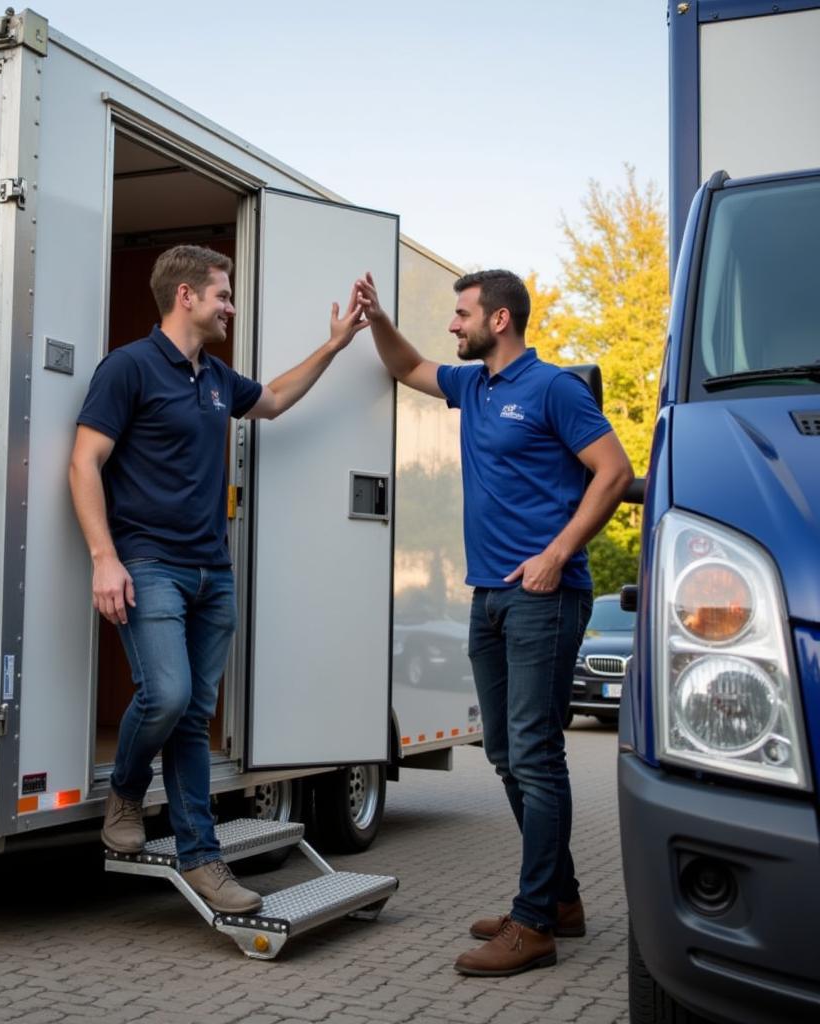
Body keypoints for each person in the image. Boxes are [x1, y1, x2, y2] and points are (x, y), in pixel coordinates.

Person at [70, 245, 368, 915]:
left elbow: (276, 399)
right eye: (223, 295)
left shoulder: (214, 377)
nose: (230, 305)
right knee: (168, 695)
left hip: (213, 572)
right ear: (186, 298)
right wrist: (103, 558)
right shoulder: (129, 368)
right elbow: (83, 463)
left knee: (193, 717)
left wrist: (335, 346)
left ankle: (202, 859)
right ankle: (125, 789)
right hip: (149, 564)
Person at [356, 268, 633, 977]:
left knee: (538, 757)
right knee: (506, 754)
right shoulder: (472, 386)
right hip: (490, 598)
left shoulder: (555, 389)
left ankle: (535, 922)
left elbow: (612, 469)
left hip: (547, 595)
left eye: (461, 313)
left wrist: (558, 553)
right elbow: (406, 365)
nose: (453, 325)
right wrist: (377, 318)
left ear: (500, 320)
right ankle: (561, 900)